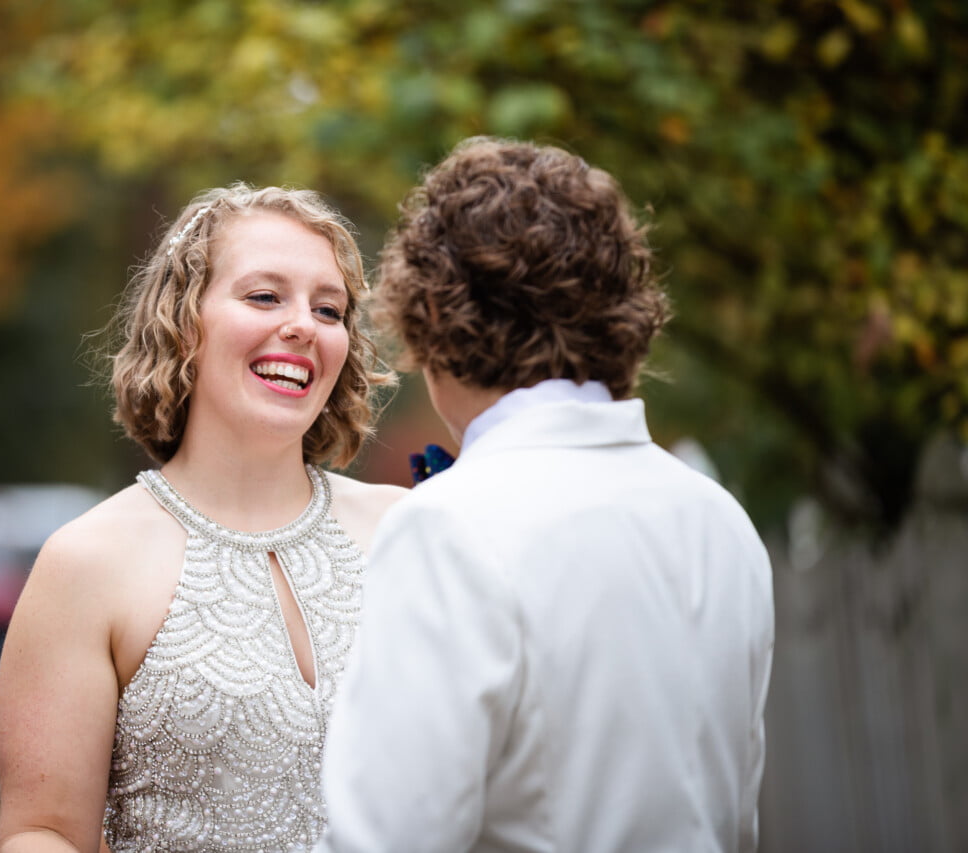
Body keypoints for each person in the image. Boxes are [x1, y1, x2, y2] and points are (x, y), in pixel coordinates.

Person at [317, 138, 775, 852]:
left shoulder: (447, 526)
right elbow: (736, 820)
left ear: (432, 318)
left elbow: (382, 838)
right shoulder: (720, 519)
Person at [0, 183, 407, 852]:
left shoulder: (406, 531)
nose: (303, 325)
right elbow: (42, 832)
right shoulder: (88, 562)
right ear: (183, 322)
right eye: (265, 296)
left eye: (328, 309)